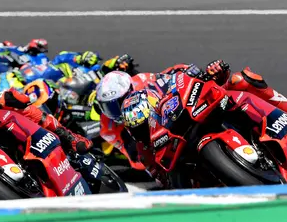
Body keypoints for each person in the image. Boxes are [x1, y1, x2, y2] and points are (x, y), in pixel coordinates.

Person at [94, 60, 287, 175]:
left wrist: (211, 72)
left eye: (117, 102)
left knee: (241, 81)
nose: (116, 109)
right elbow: (141, 162)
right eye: (109, 107)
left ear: (130, 88)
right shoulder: (119, 128)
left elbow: (183, 76)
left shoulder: (148, 82)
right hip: (176, 144)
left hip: (193, 111)